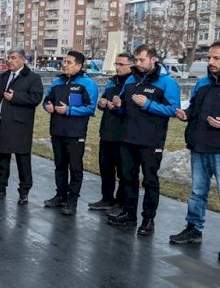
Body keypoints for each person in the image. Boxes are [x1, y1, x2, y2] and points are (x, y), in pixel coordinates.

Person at [108, 44, 180, 236]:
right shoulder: (131, 79)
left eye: (142, 60)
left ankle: (148, 220)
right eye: (136, 60)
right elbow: (123, 106)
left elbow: (173, 110)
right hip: (128, 138)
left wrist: (148, 104)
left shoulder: (167, 82)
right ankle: (129, 214)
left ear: (153, 60)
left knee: (149, 181)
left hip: (151, 140)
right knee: (128, 178)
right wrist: (117, 105)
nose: (138, 64)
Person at [170, 41, 220, 245]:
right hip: (199, 147)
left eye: (216, 58)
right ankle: (193, 229)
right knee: (198, 191)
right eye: (209, 57)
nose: (210, 62)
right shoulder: (203, 83)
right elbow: (194, 109)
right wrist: (185, 114)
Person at [0, 49, 43, 205]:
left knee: (22, 160)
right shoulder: (3, 77)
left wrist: (16, 97)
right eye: (8, 58)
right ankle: (0, 187)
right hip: (2, 123)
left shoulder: (32, 78)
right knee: (2, 158)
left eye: (13, 58)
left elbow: (36, 98)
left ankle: (24, 192)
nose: (9, 61)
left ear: (23, 60)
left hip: (20, 126)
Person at [42, 50, 99, 215]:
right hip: (57, 131)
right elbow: (47, 100)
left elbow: (90, 108)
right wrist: (48, 107)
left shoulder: (87, 84)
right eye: (64, 61)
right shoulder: (57, 81)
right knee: (59, 166)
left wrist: (68, 110)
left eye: (68, 62)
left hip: (75, 133)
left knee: (75, 168)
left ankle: (72, 200)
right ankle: (60, 195)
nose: (64, 64)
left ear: (79, 65)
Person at [88, 52, 134, 213]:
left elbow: (132, 108)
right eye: (116, 64)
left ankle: (121, 201)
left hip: (124, 133)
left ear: (131, 65)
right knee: (106, 167)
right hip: (107, 131)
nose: (118, 67)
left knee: (123, 170)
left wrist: (119, 106)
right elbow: (103, 101)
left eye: (122, 64)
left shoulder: (133, 83)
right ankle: (107, 198)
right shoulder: (111, 82)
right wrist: (102, 103)